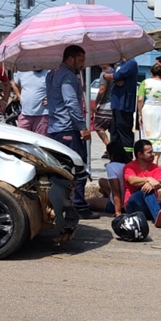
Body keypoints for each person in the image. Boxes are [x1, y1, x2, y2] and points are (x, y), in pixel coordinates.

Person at [47, 45, 98, 220]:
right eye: (81, 60)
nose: (83, 64)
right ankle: (78, 206)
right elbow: (71, 103)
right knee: (78, 169)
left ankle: (63, 205)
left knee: (61, 170)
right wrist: (82, 127)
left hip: (54, 130)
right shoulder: (68, 76)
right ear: (71, 59)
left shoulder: (52, 74)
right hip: (68, 129)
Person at [136, 63, 161, 165]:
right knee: (160, 134)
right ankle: (156, 158)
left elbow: (140, 99)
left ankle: (146, 157)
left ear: (151, 73)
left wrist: (139, 114)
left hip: (147, 109)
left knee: (147, 134)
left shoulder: (145, 83)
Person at [104, 55, 139, 155]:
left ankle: (127, 157)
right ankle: (116, 156)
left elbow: (115, 75)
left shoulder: (131, 63)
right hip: (116, 103)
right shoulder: (119, 64)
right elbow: (113, 74)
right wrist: (110, 76)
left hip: (125, 104)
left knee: (124, 132)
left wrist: (109, 77)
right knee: (114, 131)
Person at [89, 141, 133, 216]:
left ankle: (107, 202)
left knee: (88, 202)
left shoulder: (111, 166)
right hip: (129, 198)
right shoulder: (130, 164)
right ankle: (105, 197)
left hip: (119, 204)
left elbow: (116, 190)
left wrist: (118, 211)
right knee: (101, 181)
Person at [11, 68, 50, 135]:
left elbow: (57, 87)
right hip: (25, 114)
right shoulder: (22, 71)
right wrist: (19, 96)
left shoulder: (49, 73)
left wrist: (51, 98)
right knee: (21, 139)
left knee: (40, 141)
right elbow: (14, 84)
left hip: (42, 115)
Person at [92, 64, 114, 155]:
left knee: (98, 126)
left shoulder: (105, 73)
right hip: (115, 105)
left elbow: (102, 89)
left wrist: (96, 103)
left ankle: (109, 147)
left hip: (106, 104)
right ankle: (112, 149)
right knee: (112, 129)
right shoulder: (116, 72)